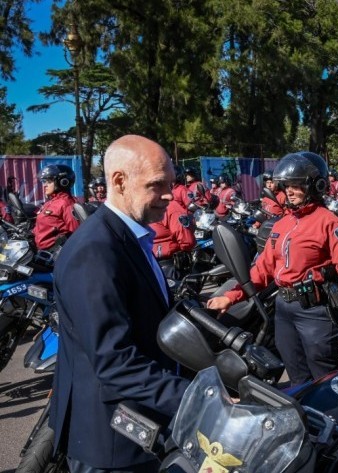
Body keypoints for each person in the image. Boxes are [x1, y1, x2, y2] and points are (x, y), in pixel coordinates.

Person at [49, 135, 190, 472]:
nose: (170, 194)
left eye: (171, 184)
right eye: (157, 184)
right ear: (119, 181)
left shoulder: (128, 236)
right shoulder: (96, 251)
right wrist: (196, 399)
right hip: (110, 443)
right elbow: (115, 361)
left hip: (134, 425)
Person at [207, 152, 338, 386]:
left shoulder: (330, 222)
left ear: (315, 186)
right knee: (295, 371)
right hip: (283, 308)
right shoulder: (281, 224)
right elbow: (262, 270)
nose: (289, 191)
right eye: (287, 185)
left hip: (314, 309)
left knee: (325, 374)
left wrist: (320, 272)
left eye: (296, 185)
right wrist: (230, 296)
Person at [34, 164, 80, 251]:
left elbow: (76, 233)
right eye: (44, 181)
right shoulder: (50, 202)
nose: (44, 185)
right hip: (42, 252)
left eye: (49, 181)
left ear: (63, 182)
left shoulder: (66, 203)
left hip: (55, 253)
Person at [149, 197, 196, 281]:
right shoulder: (170, 206)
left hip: (149, 264)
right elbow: (186, 240)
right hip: (170, 266)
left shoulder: (140, 207)